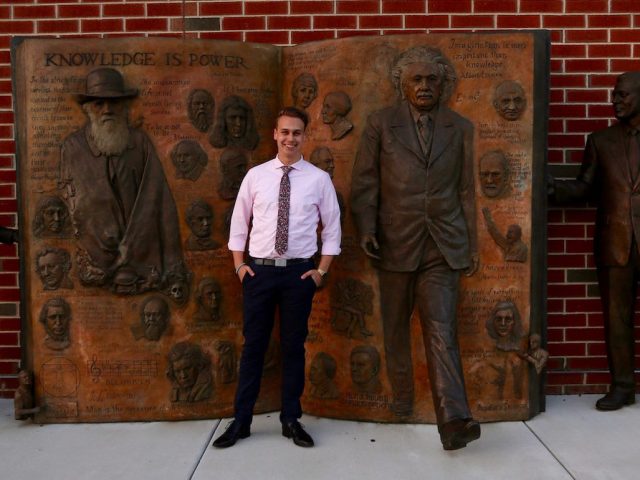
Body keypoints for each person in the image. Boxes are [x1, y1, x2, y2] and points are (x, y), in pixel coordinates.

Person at [351, 45, 480, 450]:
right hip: (394, 241)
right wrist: (367, 227)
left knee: (441, 330)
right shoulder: (380, 124)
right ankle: (403, 396)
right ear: (402, 85)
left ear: (443, 85)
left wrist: (470, 244)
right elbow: (365, 182)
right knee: (395, 328)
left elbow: (465, 191)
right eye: (417, 80)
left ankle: (454, 419)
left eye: (432, 80)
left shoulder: (459, 128)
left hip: (443, 244)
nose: (425, 86)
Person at [213, 106, 341, 449]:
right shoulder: (256, 176)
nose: (290, 138)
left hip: (299, 274)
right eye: (284, 132)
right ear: (275, 134)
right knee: (253, 346)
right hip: (259, 273)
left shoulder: (318, 179)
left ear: (304, 136)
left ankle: (290, 419)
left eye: (296, 132)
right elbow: (239, 224)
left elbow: (332, 231)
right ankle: (241, 421)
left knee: (293, 347)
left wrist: (320, 271)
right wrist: (240, 266)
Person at [549, 71, 640, 411]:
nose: (615, 100)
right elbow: (585, 187)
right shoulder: (600, 140)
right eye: (614, 94)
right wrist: (553, 188)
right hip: (616, 241)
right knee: (616, 317)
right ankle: (622, 386)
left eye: (623, 94)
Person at [59, 67, 186, 295]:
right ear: (88, 108)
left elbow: (161, 201)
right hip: (94, 265)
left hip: (141, 261)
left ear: (124, 106)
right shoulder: (72, 148)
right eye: (99, 104)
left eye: (114, 103)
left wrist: (174, 268)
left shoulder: (139, 144)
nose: (107, 110)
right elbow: (69, 204)